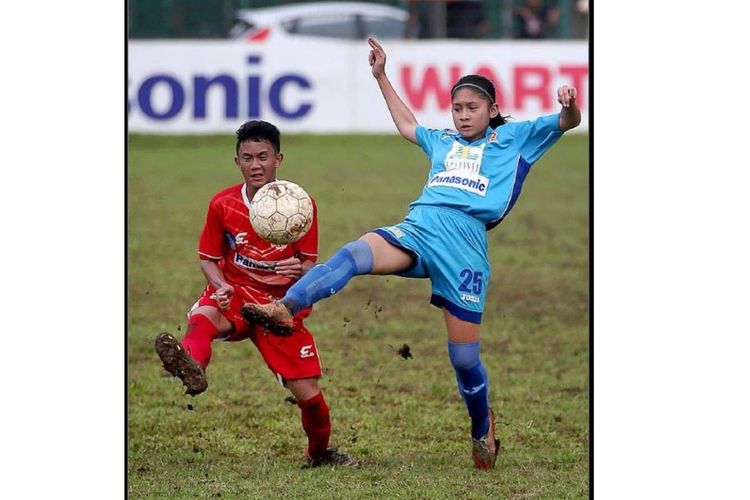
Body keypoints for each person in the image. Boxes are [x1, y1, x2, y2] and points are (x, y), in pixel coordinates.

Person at [241, 38, 581, 470]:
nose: (462, 115)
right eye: (457, 108)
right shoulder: (441, 140)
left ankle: (482, 427)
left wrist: (569, 105)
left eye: (472, 108)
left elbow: (567, 121)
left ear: (492, 110)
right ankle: (285, 307)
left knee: (463, 358)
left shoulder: (515, 139)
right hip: (420, 228)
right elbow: (408, 125)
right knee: (354, 253)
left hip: (465, 247)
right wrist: (381, 75)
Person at [154, 120, 359, 469]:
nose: (255, 165)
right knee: (203, 319)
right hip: (235, 292)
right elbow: (208, 258)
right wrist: (220, 287)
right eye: (247, 157)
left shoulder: (300, 204)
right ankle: (191, 366)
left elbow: (311, 266)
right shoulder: (223, 204)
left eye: (262, 156)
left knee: (310, 398)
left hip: (280, 309)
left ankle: (320, 454)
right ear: (237, 162)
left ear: (278, 158)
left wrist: (300, 271)